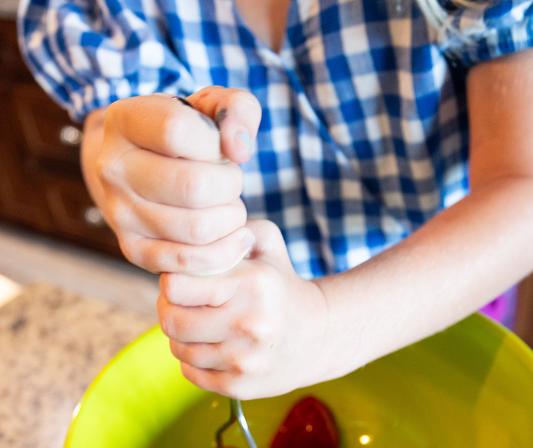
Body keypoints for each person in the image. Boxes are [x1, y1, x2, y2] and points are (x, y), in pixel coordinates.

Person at [18, 0, 533, 399]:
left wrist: (326, 324)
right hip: (251, 331)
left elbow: (521, 183)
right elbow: (112, 129)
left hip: (447, 298)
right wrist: (132, 173)